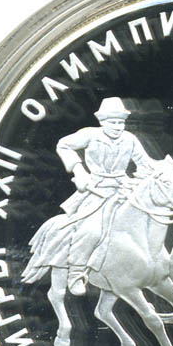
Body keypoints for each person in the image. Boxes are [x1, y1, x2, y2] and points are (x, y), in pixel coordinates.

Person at [57, 97, 156, 296]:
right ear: (102, 121)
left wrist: (159, 171)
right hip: (96, 190)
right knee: (91, 230)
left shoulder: (130, 139)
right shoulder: (90, 135)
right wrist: (79, 171)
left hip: (123, 188)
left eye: (120, 122)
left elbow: (145, 162)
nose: (117, 126)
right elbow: (63, 145)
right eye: (113, 122)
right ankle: (76, 273)